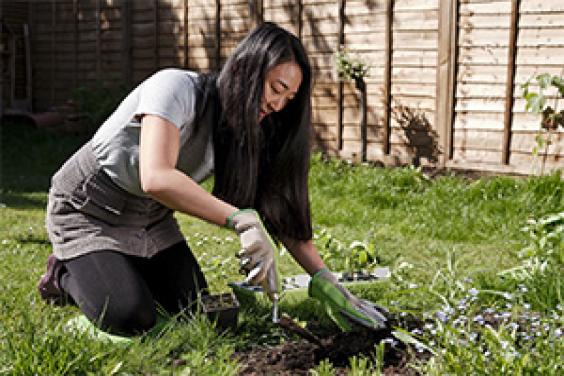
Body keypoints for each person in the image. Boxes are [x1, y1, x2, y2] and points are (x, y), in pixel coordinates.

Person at [37, 22, 386, 336]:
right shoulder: (175, 88)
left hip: (150, 219)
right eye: (276, 88)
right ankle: (64, 276)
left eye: (289, 98)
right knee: (131, 317)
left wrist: (325, 280)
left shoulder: (252, 129)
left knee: (193, 312)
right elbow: (156, 177)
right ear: (246, 70)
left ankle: (111, 269)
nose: (279, 104)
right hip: (89, 209)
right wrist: (240, 219)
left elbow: (281, 210)